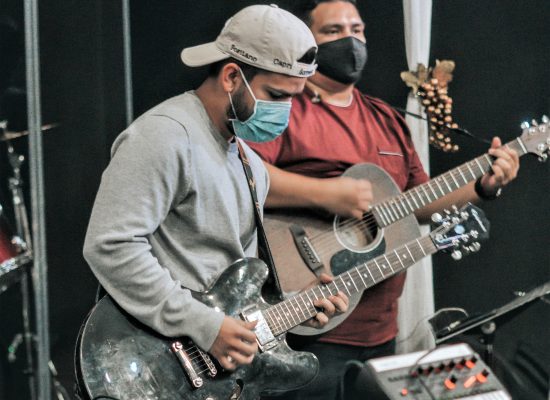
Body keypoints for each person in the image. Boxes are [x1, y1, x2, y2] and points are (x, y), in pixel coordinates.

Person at [246, 1, 520, 399]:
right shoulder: (285, 109)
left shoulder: (387, 119)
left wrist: (483, 185)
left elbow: (418, 203)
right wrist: (327, 194)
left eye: (357, 30)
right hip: (307, 317)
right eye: (334, 31)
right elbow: (246, 176)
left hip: (380, 328)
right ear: (308, 43)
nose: (351, 40)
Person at [83, 3, 348, 377]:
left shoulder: (251, 164)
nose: (285, 110)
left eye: (293, 97)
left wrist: (297, 308)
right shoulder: (165, 136)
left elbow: (228, 288)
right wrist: (204, 326)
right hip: (156, 368)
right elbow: (110, 245)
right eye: (275, 94)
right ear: (230, 77)